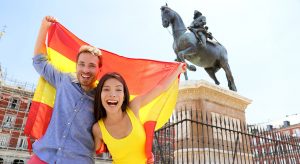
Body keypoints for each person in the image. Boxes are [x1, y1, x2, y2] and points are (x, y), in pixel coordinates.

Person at [28, 16, 102, 164]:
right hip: (44, 156)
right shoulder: (64, 80)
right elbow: (39, 61)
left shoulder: (103, 97)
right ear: (76, 66)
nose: (86, 70)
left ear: (99, 69)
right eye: (82, 64)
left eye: (92, 66)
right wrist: (44, 28)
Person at [92, 66, 186, 163]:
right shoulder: (98, 129)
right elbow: (95, 158)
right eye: (106, 89)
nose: (113, 94)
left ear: (124, 96)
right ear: (100, 94)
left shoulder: (133, 107)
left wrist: (178, 70)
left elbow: (160, 88)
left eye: (118, 90)